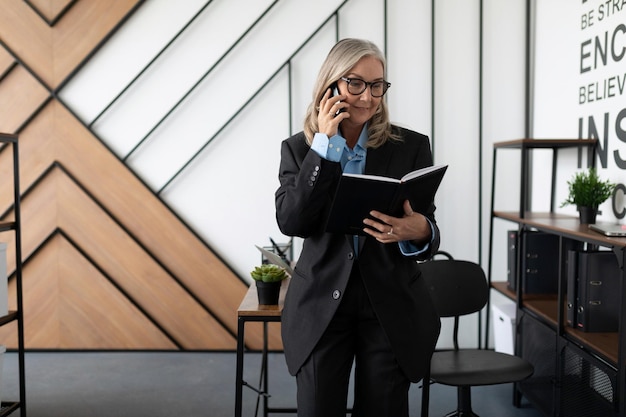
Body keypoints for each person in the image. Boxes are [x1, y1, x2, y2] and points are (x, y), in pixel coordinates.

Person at [275, 38, 441, 417]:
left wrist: (419, 231)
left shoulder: (411, 147)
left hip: (389, 303)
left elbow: (426, 225)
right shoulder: (300, 149)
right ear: (330, 86)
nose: (368, 97)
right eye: (356, 84)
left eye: (377, 85)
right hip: (320, 302)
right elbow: (292, 221)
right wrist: (324, 147)